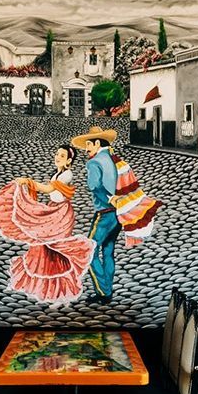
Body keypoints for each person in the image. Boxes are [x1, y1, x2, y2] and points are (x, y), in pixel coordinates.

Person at [0, 144, 96, 305]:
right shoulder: (58, 173)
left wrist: (28, 182)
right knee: (44, 251)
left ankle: (61, 294)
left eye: (62, 156)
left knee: (54, 251)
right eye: (57, 153)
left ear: (69, 161)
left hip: (60, 214)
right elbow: (51, 190)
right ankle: (50, 293)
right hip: (53, 209)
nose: (57, 157)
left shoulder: (66, 175)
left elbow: (49, 188)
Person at [74, 128, 121, 300]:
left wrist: (109, 200)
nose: (86, 149)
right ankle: (108, 288)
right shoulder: (111, 159)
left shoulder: (93, 163)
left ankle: (103, 291)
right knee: (108, 252)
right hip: (117, 214)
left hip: (104, 213)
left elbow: (94, 186)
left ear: (97, 143)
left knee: (90, 251)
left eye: (88, 144)